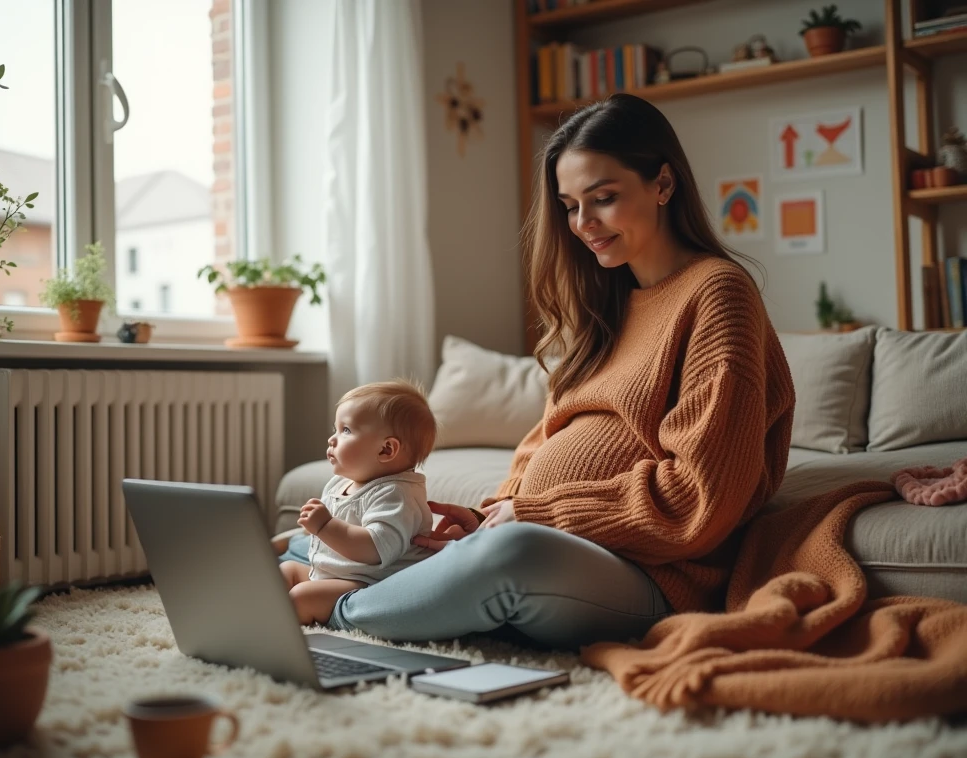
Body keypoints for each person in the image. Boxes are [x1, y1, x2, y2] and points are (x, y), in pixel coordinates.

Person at [280, 93, 796, 649]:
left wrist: (534, 515)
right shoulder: (607, 308)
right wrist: (483, 517)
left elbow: (701, 495)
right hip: (552, 537)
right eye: (571, 205)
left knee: (511, 556)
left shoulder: (717, 295)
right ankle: (354, 583)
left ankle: (343, 608)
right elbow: (538, 447)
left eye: (603, 199)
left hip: (649, 571)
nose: (583, 224)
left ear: (663, 185)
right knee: (311, 539)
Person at [278, 380, 436, 625]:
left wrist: (325, 526)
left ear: (386, 450)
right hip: (334, 574)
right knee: (284, 571)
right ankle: (251, 616)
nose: (332, 439)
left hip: (372, 584)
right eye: (335, 429)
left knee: (300, 597)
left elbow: (373, 549)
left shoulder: (396, 494)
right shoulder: (340, 482)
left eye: (346, 430)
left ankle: (273, 630)